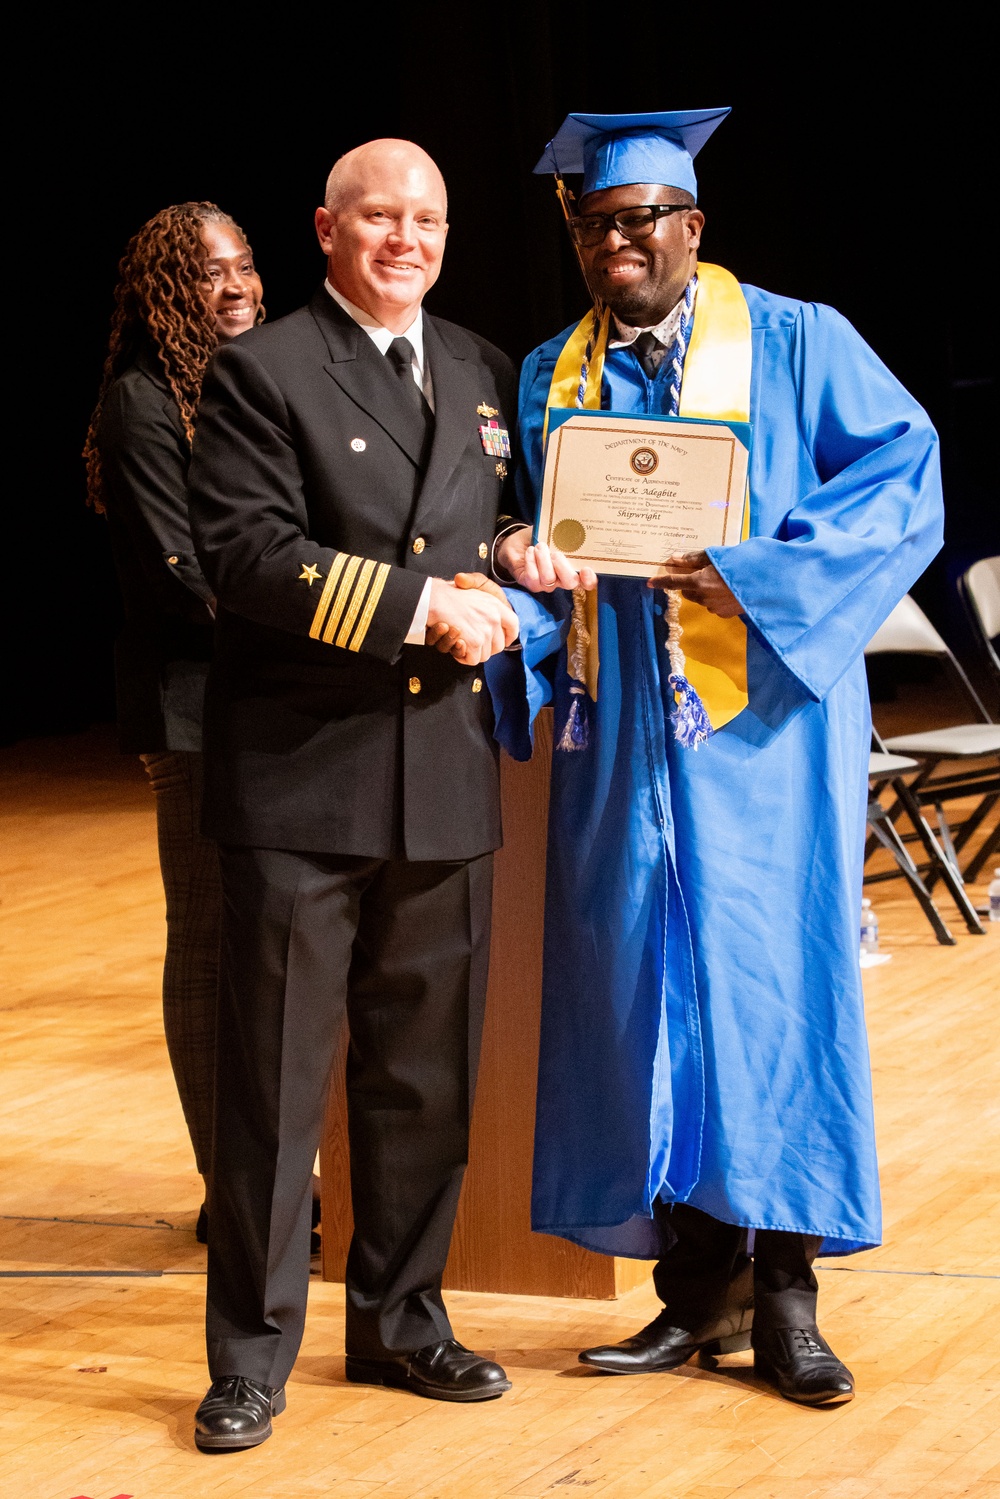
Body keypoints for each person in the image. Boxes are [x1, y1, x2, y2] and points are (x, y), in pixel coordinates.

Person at [489, 108, 944, 1406]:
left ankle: (790, 1289)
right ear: (576, 235)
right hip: (621, 735)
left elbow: (903, 477)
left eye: (644, 218)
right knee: (643, 992)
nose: (621, 241)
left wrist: (757, 573)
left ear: (694, 224)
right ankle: (698, 1292)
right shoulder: (547, 373)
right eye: (597, 222)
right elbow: (548, 552)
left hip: (763, 733)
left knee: (770, 988)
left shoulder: (799, 339)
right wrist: (517, 579)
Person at [186, 138, 521, 1452]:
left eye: (427, 216)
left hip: (443, 780)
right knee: (274, 1091)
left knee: (423, 1078)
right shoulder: (260, 370)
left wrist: (514, 554)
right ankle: (251, 1355)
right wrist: (426, 604)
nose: (406, 237)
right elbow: (249, 555)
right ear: (326, 227)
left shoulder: (485, 370)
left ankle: (402, 1318)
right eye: (380, 214)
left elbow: (482, 521)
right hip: (301, 784)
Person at [84, 202, 264, 1237]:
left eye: (244, 265)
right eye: (208, 273)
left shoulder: (259, 388)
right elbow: (184, 580)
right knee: (204, 942)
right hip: (195, 711)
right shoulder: (142, 403)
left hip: (274, 704)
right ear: (164, 293)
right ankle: (224, 1187)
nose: (235, 285)